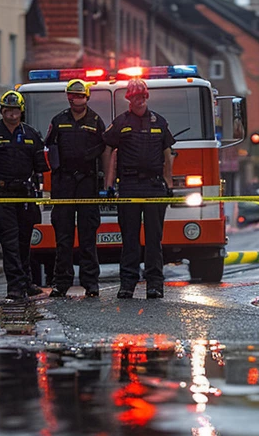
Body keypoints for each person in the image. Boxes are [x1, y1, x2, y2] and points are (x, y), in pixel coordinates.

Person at [103, 78, 175, 300]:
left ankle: (155, 285)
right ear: (129, 99)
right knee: (130, 238)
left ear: (147, 97)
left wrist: (169, 183)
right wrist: (108, 183)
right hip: (129, 185)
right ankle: (128, 284)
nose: (139, 100)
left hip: (154, 186)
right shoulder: (120, 123)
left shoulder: (159, 122)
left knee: (154, 239)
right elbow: (108, 151)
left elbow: (167, 155)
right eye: (135, 96)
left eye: (142, 96)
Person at [0, 90, 49, 301]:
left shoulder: (32, 134)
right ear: (2, 111)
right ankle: (15, 286)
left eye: (15, 110)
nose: (12, 114)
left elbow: (40, 170)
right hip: (1, 195)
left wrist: (42, 194)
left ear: (21, 112)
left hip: (25, 196)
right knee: (10, 242)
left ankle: (25, 281)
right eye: (8, 110)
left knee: (24, 241)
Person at [44, 77, 112, 298]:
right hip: (63, 183)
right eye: (73, 95)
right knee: (63, 237)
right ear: (68, 97)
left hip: (87, 182)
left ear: (87, 97)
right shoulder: (59, 120)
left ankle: (90, 282)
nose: (77, 99)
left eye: (80, 95)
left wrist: (104, 181)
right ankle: (61, 283)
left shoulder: (95, 121)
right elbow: (50, 148)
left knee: (87, 235)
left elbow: (104, 151)